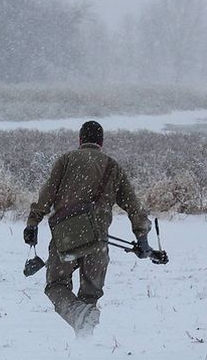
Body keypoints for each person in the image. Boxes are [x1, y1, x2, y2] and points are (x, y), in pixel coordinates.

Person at [24, 120, 151, 337]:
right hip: (98, 242)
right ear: (101, 142)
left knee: (55, 286)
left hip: (66, 237)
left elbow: (46, 195)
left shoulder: (66, 160)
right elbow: (134, 206)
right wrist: (142, 238)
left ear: (80, 139)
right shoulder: (113, 167)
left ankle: (77, 320)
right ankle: (85, 341)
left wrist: (33, 222)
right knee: (90, 295)